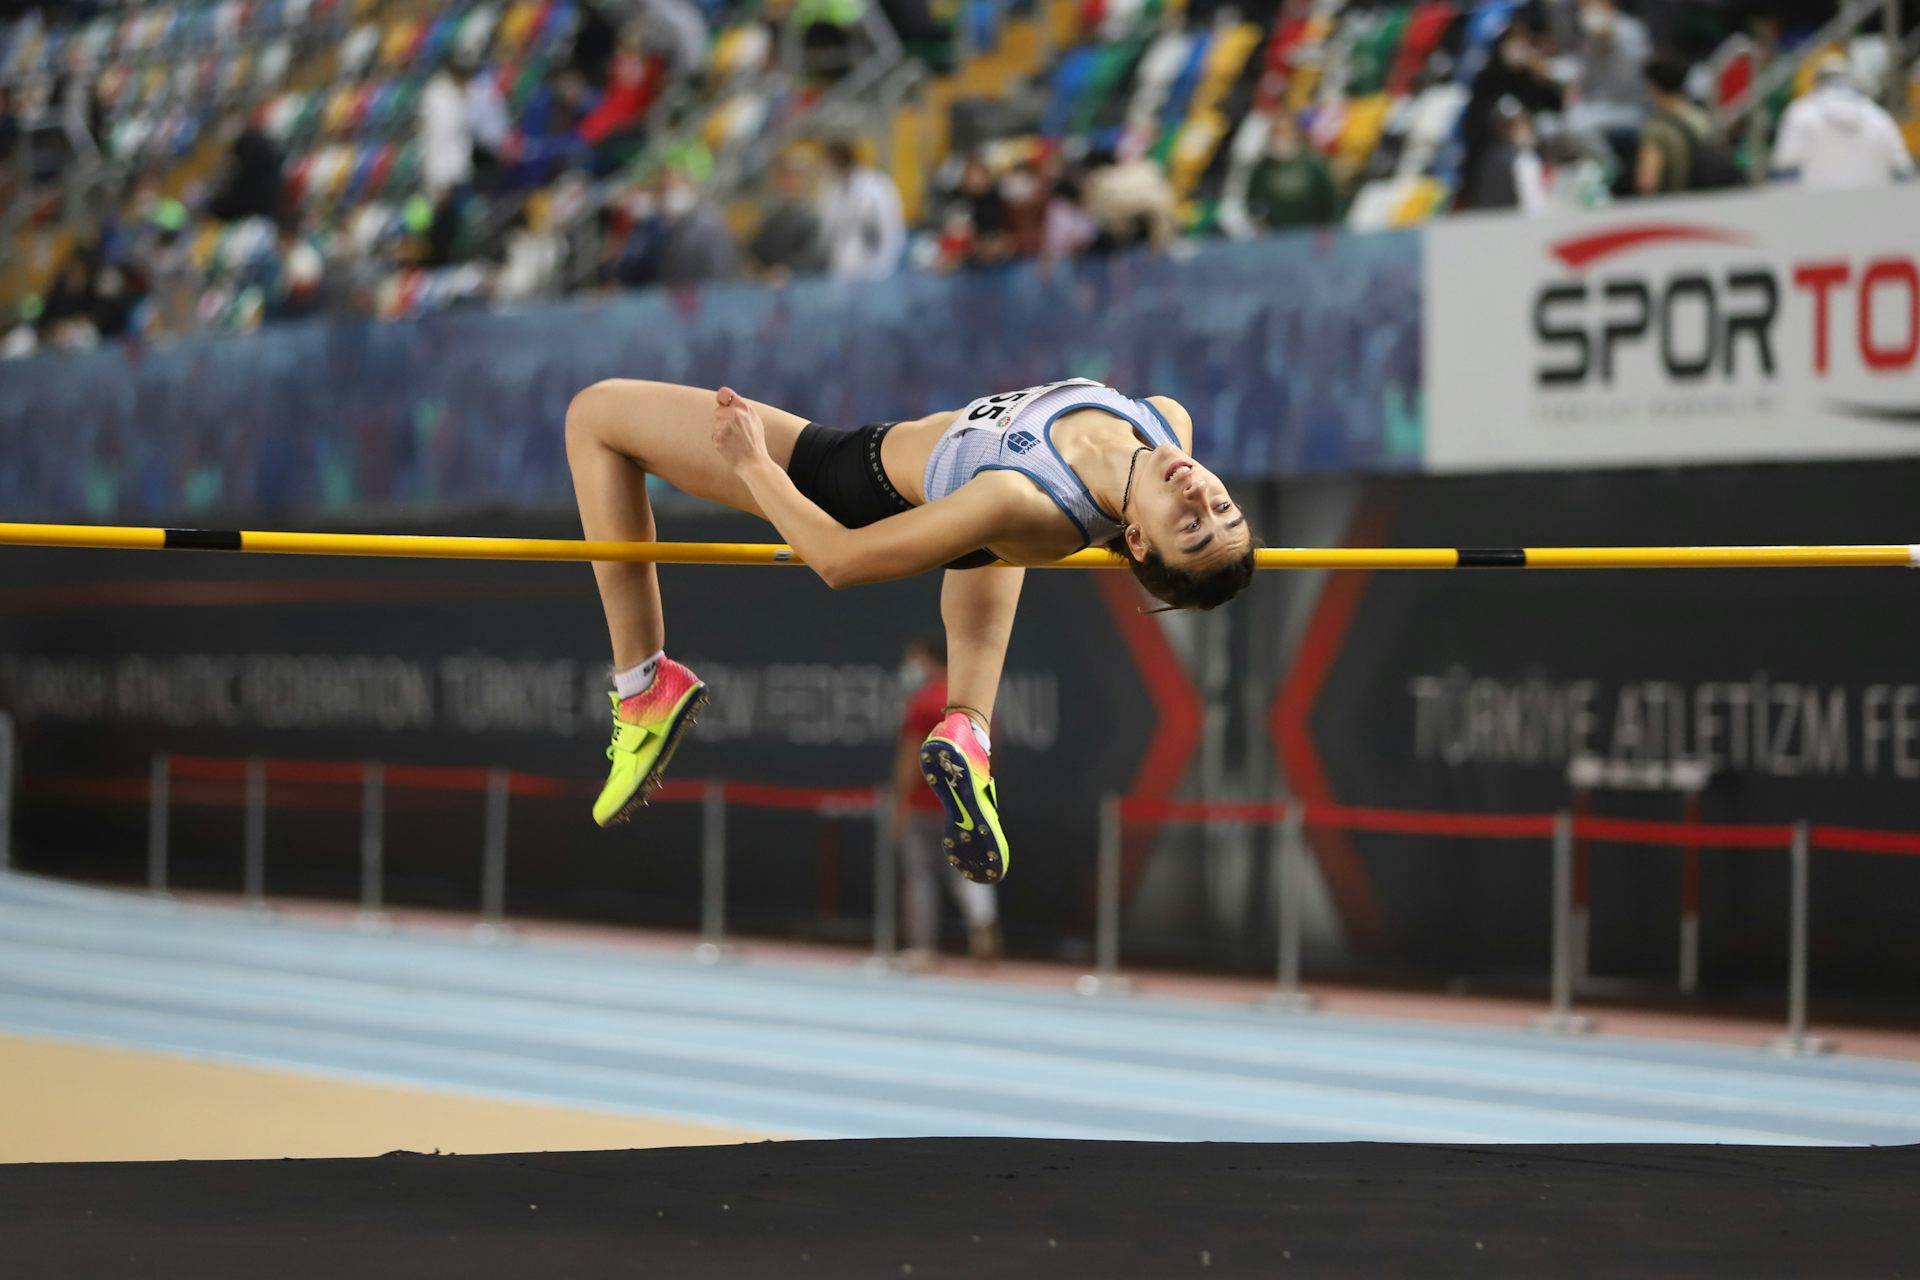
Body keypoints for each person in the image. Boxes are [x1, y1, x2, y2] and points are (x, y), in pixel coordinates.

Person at [564, 378, 1258, 884]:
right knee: (997, 534)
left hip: (837, 485)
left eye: (1191, 525)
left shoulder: (1023, 498)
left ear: (1137, 540)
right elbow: (1001, 542)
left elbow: (839, 560)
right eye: (1222, 508)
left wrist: (753, 464)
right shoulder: (1166, 421)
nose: (1200, 494)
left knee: (595, 416)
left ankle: (644, 683)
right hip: (935, 479)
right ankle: (969, 727)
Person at [892, 634, 1001, 965]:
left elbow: (909, 756)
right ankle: (982, 920)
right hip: (964, 803)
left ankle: (922, 948)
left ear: (930, 660)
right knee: (968, 869)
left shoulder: (924, 702)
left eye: (916, 659)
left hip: (924, 803)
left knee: (920, 876)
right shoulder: (971, 704)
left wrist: (900, 801)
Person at [1771, 52, 1914, 188]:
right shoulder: (1879, 117)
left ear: (1817, 81)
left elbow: (1783, 169)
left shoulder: (1800, 113)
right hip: (1874, 203)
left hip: (1813, 204)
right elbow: (1904, 173)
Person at [1636, 52, 1737, 196]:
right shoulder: (1702, 117)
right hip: (1711, 197)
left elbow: (1647, 183)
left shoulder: (1657, 129)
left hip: (1674, 202)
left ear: (1653, 87)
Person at [817, 139, 905, 281]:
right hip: (840, 272)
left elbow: (889, 230)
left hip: (874, 272)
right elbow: (827, 234)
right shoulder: (833, 190)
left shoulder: (876, 187)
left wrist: (883, 267)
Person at [1244, 112, 1339, 231]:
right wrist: (1259, 222)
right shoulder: (1263, 167)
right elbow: (1253, 201)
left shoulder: (1311, 163)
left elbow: (1328, 198)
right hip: (1276, 234)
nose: (1282, 136)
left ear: (1296, 133)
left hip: (1309, 231)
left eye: (1287, 131)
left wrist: (1324, 226)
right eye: (1277, 131)